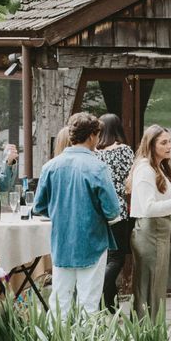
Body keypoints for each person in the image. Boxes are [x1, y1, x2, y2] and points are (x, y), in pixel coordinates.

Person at [32, 112, 122, 316]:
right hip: (92, 242)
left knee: (59, 301)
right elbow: (112, 210)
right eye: (97, 135)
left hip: (61, 242)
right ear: (91, 136)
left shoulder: (50, 167)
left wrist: (59, 210)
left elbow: (38, 207)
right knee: (88, 304)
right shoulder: (98, 167)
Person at [128, 124, 171, 320]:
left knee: (155, 289)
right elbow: (148, 208)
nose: (169, 146)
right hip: (150, 232)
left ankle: (153, 334)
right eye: (163, 142)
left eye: (170, 141)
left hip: (157, 232)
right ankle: (148, 336)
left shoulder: (156, 168)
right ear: (151, 144)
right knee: (150, 290)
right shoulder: (145, 169)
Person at [94, 114, 135, 311]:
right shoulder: (124, 151)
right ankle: (101, 287)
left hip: (98, 210)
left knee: (106, 256)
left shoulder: (95, 153)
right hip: (118, 209)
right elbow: (131, 179)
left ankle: (109, 306)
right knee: (117, 258)